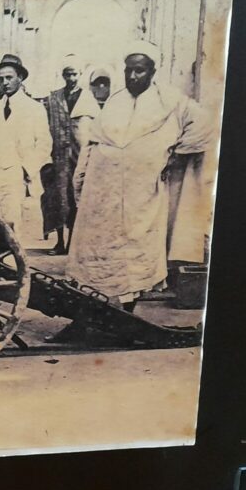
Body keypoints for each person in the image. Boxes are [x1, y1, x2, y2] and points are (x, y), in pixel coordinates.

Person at [67, 41, 215, 310]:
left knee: (134, 250)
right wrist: (83, 179)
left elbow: (204, 125)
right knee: (98, 247)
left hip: (142, 194)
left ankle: (127, 312)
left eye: (140, 70)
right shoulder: (115, 101)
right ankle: (94, 308)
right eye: (129, 70)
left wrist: (176, 155)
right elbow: (94, 141)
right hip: (103, 190)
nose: (133, 76)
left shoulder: (170, 100)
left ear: (152, 71)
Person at [0, 54, 51, 231]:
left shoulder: (34, 108)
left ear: (20, 78)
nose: (5, 82)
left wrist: (26, 170)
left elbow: (44, 145)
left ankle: (11, 251)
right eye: (1, 79)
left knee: (11, 223)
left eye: (9, 77)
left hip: (15, 174)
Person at [41, 56, 100, 255]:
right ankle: (59, 242)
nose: (71, 78)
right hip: (57, 156)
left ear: (80, 74)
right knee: (58, 198)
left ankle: (74, 242)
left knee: (77, 197)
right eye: (67, 74)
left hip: (79, 156)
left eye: (74, 74)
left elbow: (96, 127)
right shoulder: (54, 98)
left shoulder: (87, 98)